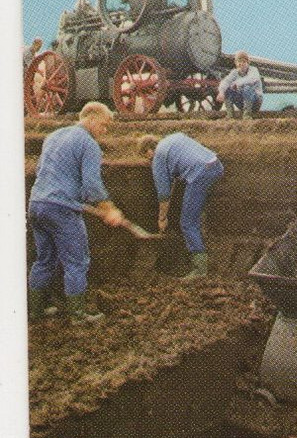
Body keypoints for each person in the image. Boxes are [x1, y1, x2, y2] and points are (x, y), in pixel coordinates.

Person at [27, 101, 124, 323]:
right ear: (91, 118)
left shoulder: (54, 136)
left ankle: (35, 311)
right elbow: (92, 185)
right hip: (61, 209)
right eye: (104, 125)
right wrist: (109, 209)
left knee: (44, 260)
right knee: (77, 262)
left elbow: (41, 170)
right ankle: (78, 315)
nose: (104, 131)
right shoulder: (88, 144)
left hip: (37, 204)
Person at [138, 131, 223, 279]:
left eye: (147, 157)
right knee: (194, 210)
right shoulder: (175, 137)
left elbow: (164, 194)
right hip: (215, 166)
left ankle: (200, 270)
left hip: (200, 174)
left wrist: (162, 218)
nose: (149, 161)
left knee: (187, 222)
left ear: (149, 151)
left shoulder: (158, 157)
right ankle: (201, 229)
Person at [216, 51, 264, 118]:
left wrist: (237, 83)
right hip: (242, 102)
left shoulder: (253, 70)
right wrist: (221, 92)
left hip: (255, 102)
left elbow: (251, 79)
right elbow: (225, 81)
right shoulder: (234, 72)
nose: (241, 64)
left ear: (248, 63)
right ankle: (230, 116)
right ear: (236, 63)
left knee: (247, 88)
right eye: (239, 62)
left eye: (244, 62)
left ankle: (247, 116)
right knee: (227, 89)